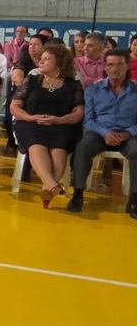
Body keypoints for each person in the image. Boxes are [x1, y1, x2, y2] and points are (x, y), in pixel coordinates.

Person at [9, 43, 84, 207]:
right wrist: (30, 118)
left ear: (59, 63)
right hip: (30, 123)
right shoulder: (32, 80)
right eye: (41, 58)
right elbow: (14, 107)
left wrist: (58, 120)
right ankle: (51, 184)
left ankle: (48, 188)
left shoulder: (73, 85)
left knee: (59, 148)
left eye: (46, 59)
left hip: (61, 124)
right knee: (36, 143)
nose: (41, 61)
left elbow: (78, 113)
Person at [67, 48, 137, 217]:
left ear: (127, 66)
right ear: (105, 67)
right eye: (110, 64)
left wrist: (127, 133)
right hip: (99, 132)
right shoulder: (93, 90)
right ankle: (78, 194)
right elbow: (88, 119)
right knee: (83, 147)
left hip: (128, 134)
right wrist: (105, 133)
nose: (115, 69)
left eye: (119, 64)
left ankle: (134, 200)